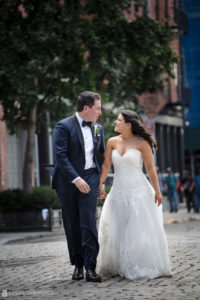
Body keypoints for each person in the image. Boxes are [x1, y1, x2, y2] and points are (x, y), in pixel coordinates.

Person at [97, 110, 171, 281]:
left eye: (119, 120)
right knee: (118, 229)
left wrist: (158, 191)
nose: (115, 122)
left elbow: (151, 169)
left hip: (139, 193)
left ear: (128, 124)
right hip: (117, 192)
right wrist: (99, 185)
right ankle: (118, 265)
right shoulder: (111, 142)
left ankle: (137, 265)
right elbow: (106, 166)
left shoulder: (142, 143)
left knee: (136, 231)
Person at [52, 91, 105, 282]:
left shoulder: (98, 128)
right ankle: (78, 265)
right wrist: (76, 178)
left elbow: (101, 158)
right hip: (68, 182)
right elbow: (61, 156)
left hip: (90, 177)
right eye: (97, 108)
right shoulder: (62, 126)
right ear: (86, 108)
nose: (100, 112)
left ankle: (91, 267)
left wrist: (100, 182)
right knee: (72, 224)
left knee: (88, 222)